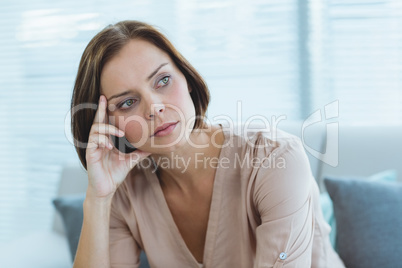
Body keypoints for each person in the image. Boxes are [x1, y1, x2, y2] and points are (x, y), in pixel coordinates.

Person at [70, 20, 345, 268]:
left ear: (187, 78)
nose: (154, 108)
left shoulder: (274, 158)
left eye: (163, 80)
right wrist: (99, 198)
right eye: (128, 102)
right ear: (109, 123)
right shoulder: (124, 190)